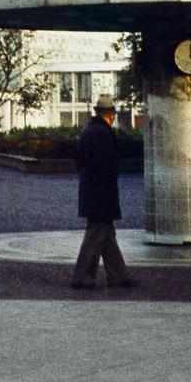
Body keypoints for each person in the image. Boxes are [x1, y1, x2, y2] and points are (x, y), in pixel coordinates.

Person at [69, 94, 136, 290]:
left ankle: (118, 276)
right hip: (101, 194)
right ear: (110, 115)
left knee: (106, 236)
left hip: (91, 191)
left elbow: (81, 161)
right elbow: (106, 165)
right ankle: (81, 277)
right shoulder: (103, 134)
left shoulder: (88, 131)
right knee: (96, 234)